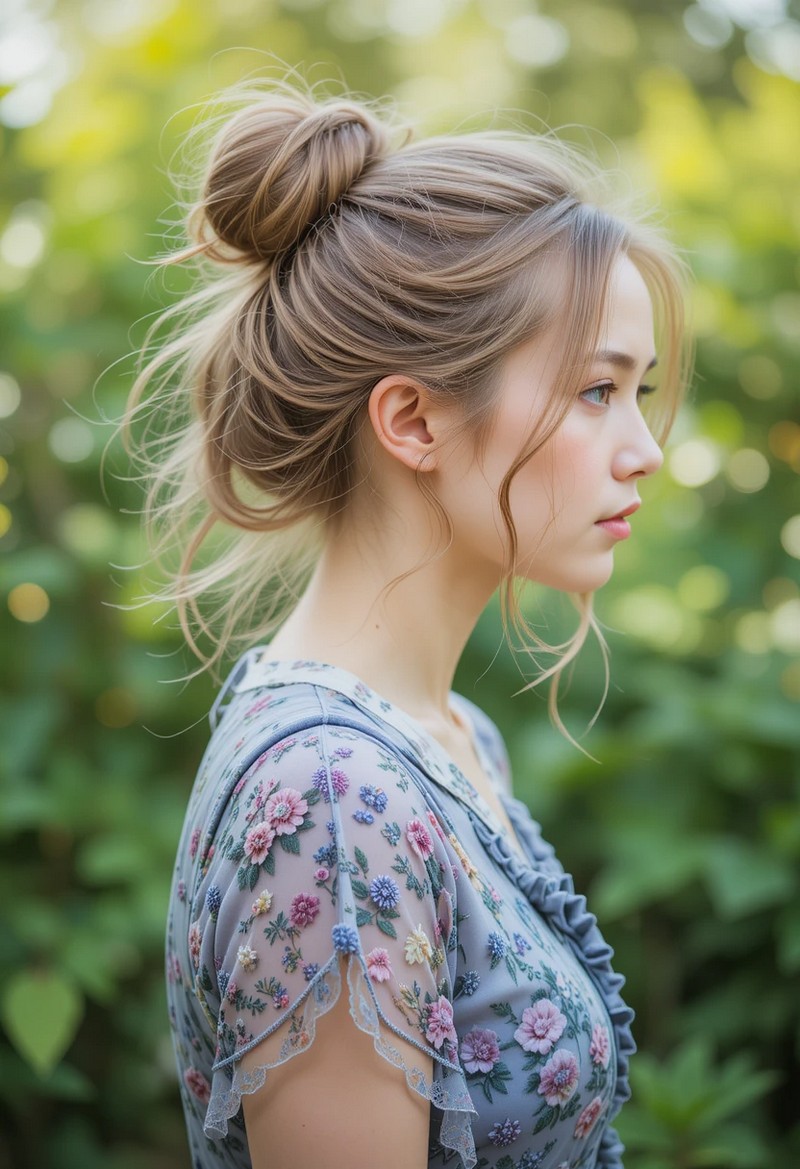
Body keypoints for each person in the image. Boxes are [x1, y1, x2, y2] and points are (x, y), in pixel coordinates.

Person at [125, 77, 691, 1169]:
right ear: (413, 419)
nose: (643, 448)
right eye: (592, 390)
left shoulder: (445, 732)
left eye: (637, 390)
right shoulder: (334, 797)